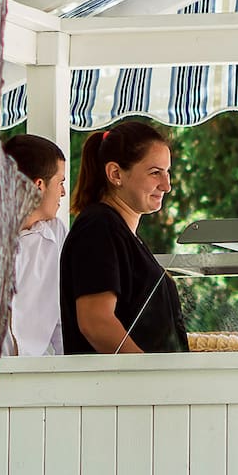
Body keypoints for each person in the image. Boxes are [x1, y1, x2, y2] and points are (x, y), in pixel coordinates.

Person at [60, 119, 187, 355]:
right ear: (115, 173)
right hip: (122, 389)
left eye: (167, 172)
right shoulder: (98, 227)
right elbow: (96, 322)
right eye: (155, 173)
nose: (166, 185)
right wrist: (147, 379)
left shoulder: (120, 231)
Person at [2, 134, 68, 356]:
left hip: (39, 375)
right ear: (38, 186)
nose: (63, 192)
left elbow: (62, 316)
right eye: (60, 182)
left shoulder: (57, 233)